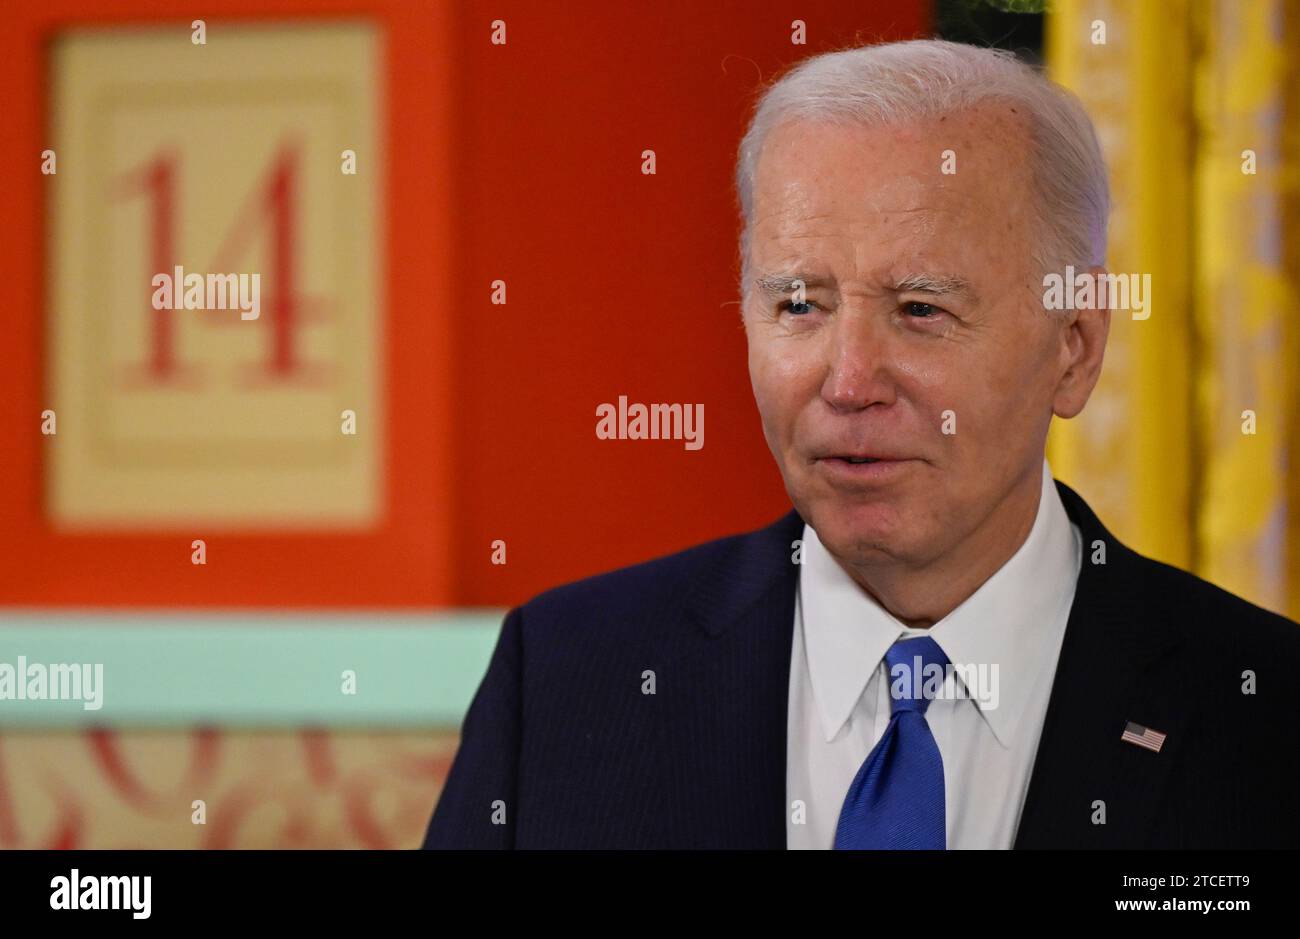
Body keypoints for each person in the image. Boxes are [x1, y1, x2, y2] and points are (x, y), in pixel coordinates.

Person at [423, 39, 1300, 849]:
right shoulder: (569, 682)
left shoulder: (1263, 714)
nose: (847, 382)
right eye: (799, 304)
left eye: (922, 310)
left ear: (1074, 346)